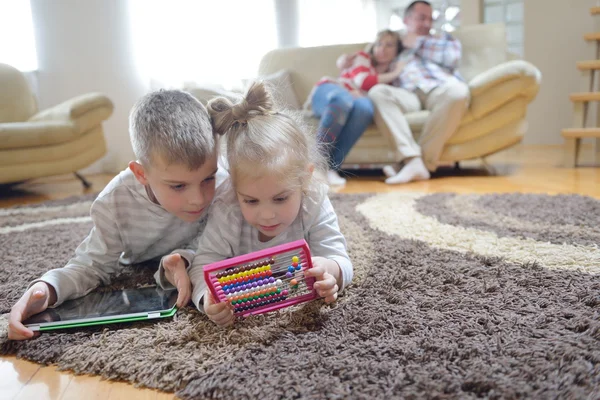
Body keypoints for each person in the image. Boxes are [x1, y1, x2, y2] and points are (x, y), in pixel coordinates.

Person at [8, 90, 226, 340]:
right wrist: (46, 288)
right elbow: (90, 266)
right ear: (141, 174)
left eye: (208, 178)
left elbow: (227, 242)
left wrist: (186, 260)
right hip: (139, 259)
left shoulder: (224, 184)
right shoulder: (115, 201)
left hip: (197, 251)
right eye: (178, 186)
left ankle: (176, 263)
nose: (198, 198)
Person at [190, 82, 353, 326]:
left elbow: (339, 258)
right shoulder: (227, 207)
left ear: (305, 178)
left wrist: (330, 270)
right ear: (235, 190)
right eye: (251, 200)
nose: (266, 215)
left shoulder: (314, 200)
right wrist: (206, 298)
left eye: (280, 198)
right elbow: (203, 264)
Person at [369, 0, 470, 184]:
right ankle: (412, 159)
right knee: (378, 92)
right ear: (406, 20)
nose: (427, 24)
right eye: (421, 18)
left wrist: (418, 43)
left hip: (439, 88)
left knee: (459, 92)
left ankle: (417, 163)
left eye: (430, 19)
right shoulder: (395, 45)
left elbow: (452, 58)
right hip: (407, 94)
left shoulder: (442, 39)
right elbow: (373, 60)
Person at [306, 29, 405, 186]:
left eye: (389, 45)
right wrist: (396, 73)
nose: (382, 49)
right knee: (342, 99)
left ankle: (331, 168)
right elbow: (363, 82)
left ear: (397, 50)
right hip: (330, 91)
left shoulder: (391, 79)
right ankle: (315, 165)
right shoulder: (362, 57)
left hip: (353, 102)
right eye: (379, 44)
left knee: (365, 109)